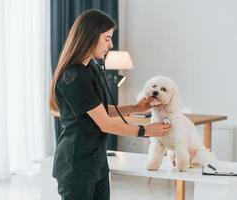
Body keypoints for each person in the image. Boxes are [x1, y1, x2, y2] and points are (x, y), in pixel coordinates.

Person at [49, 9, 171, 200]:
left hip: (96, 162)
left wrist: (135, 108)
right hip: (76, 164)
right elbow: (104, 122)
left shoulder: (92, 68)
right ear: (90, 36)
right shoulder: (74, 76)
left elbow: (99, 110)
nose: (111, 44)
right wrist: (146, 131)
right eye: (107, 38)